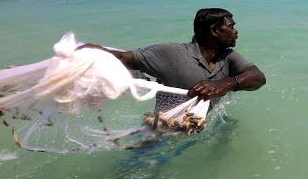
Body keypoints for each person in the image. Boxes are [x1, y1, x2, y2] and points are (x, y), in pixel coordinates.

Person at [78, 8, 266, 113]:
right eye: (231, 27)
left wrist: (224, 84)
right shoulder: (170, 53)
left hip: (204, 126)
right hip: (166, 130)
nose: (236, 31)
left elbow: (258, 77)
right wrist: (97, 51)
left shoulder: (228, 57)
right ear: (215, 31)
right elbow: (124, 58)